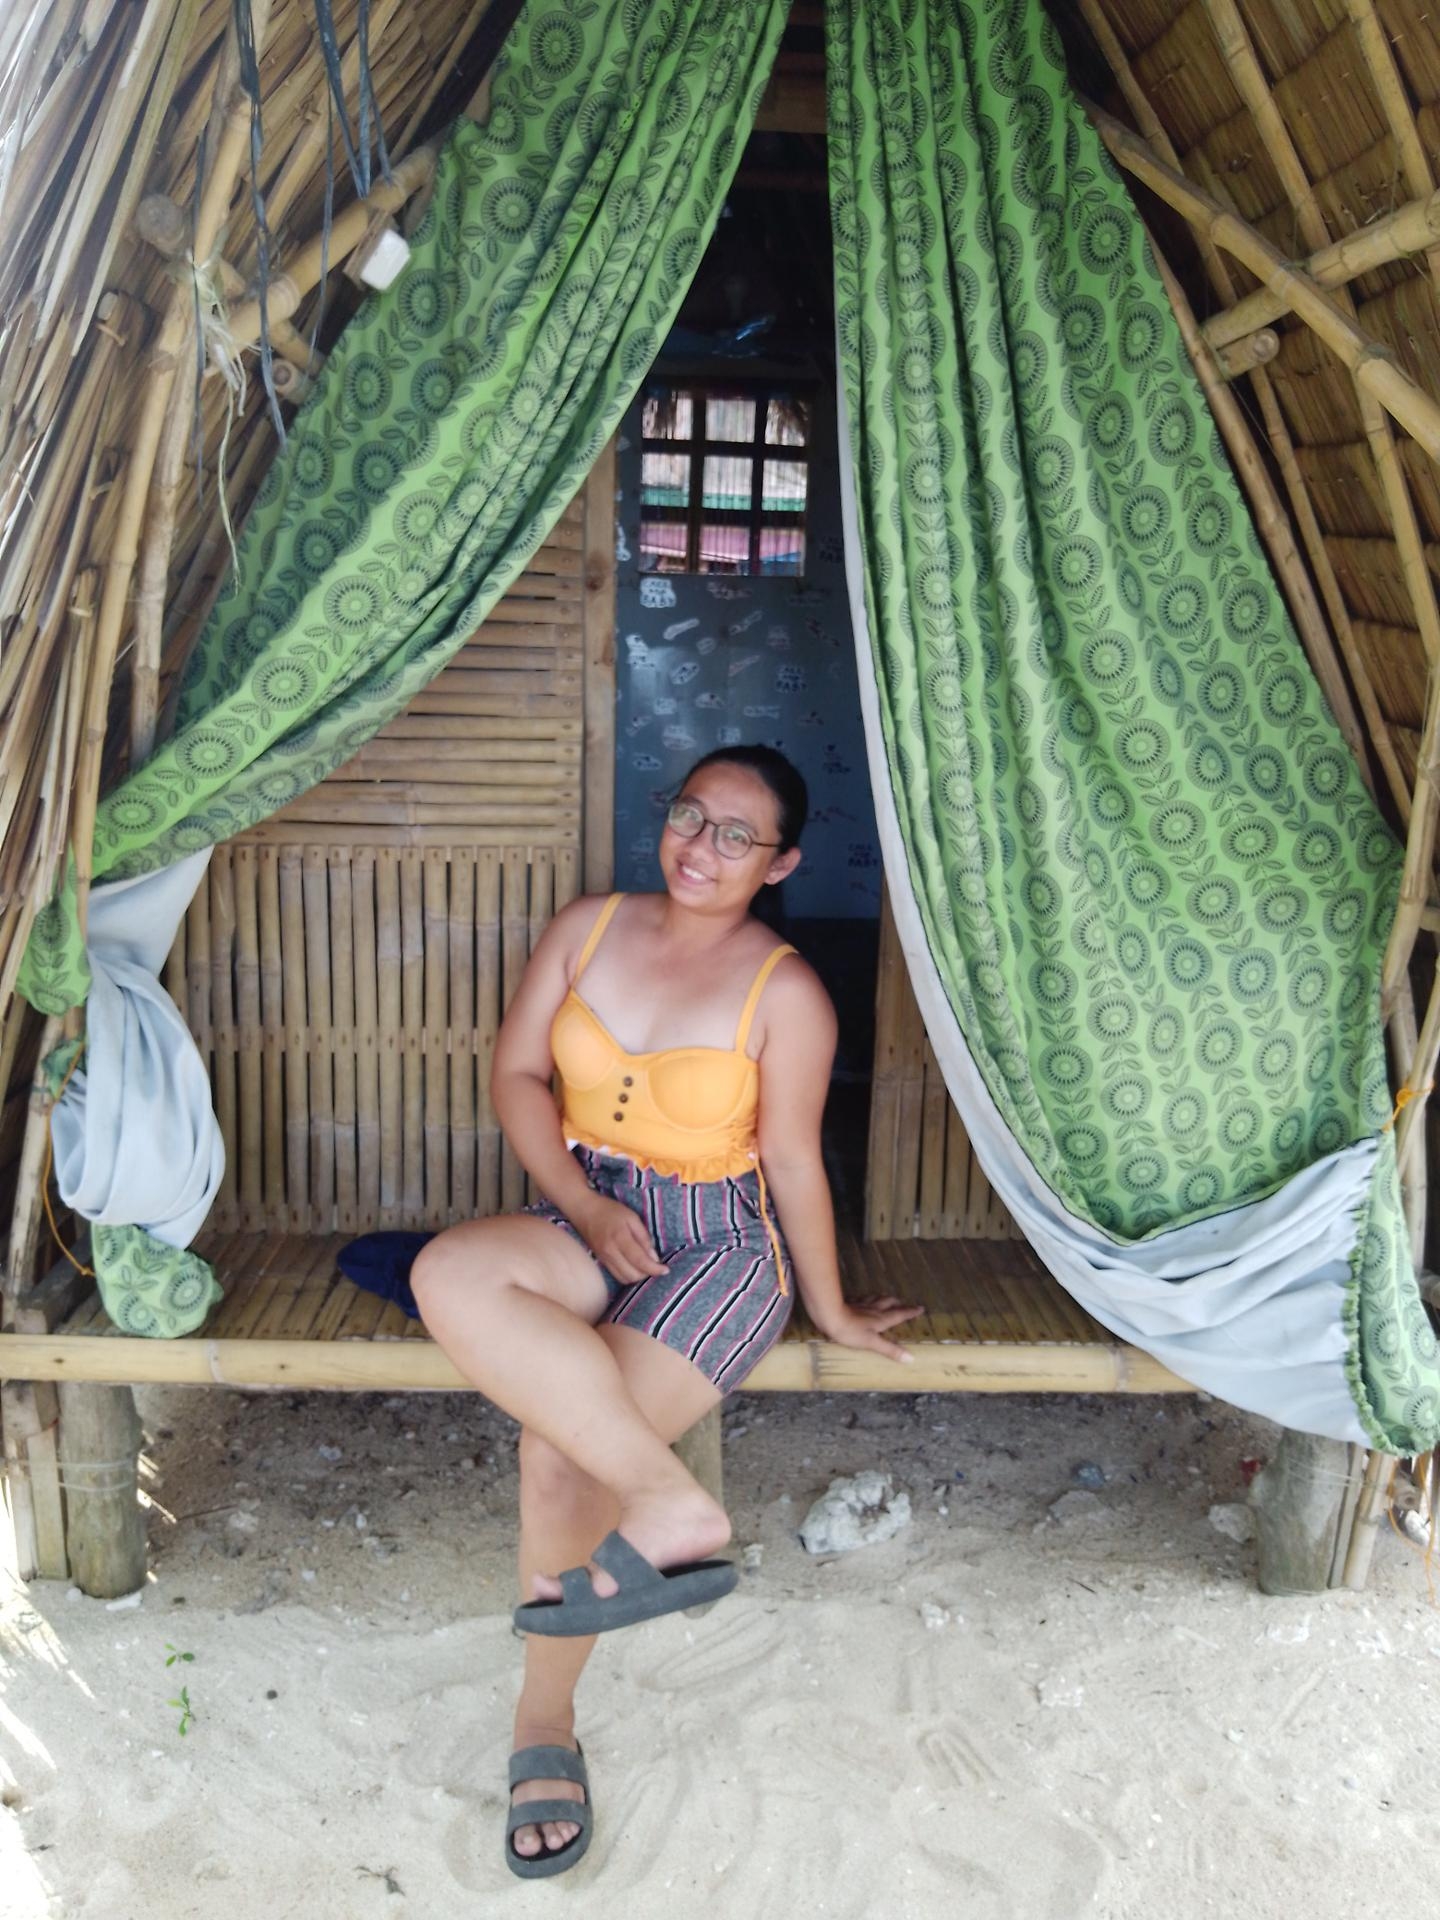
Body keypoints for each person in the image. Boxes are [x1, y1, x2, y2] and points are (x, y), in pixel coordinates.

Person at [410, 743, 921, 1878]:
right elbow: (517, 1079)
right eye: (691, 815)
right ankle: (673, 1502)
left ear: (779, 862)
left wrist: (832, 1308)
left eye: (738, 836)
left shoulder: (786, 992)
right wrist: (586, 1206)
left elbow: (793, 1162)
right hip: (589, 1207)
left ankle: (544, 1724)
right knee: (448, 1271)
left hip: (718, 1242)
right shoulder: (587, 928)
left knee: (558, 1453)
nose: (702, 847)